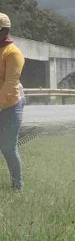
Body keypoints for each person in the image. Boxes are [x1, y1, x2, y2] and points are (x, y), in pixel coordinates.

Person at [0, 13, 24, 192]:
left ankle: (17, 187)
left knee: (8, 147)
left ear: (4, 31)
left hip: (10, 105)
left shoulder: (13, 53)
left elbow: (10, 84)